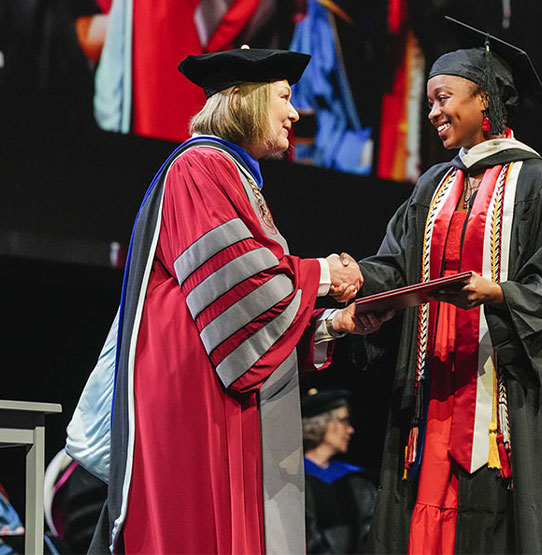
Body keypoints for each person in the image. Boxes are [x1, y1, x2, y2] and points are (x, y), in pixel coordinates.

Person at [87, 46, 384, 554]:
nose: (295, 113)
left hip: (214, 385)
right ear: (246, 101)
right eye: (285, 97)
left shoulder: (236, 176)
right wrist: (323, 273)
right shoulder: (201, 166)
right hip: (192, 391)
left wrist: (332, 326)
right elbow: (243, 288)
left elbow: (256, 306)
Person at [355, 29, 542, 554]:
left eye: (443, 98)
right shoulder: (433, 186)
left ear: (484, 98)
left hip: (501, 399)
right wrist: (350, 280)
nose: (433, 113)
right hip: (434, 394)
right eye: (429, 103)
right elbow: (396, 266)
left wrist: (497, 292)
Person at [300, 388, 377, 554]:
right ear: (321, 424)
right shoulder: (295, 484)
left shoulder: (357, 480)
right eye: (344, 421)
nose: (350, 430)